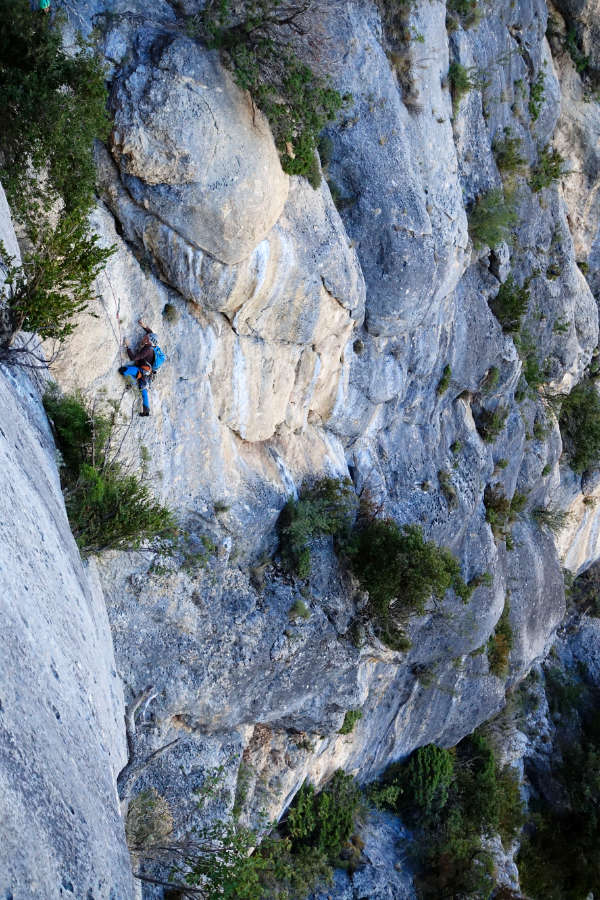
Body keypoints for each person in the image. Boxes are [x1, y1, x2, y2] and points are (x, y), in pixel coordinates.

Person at [119, 319, 157, 417]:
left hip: (141, 371)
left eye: (146, 337)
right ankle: (146, 411)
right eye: (146, 336)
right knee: (143, 389)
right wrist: (144, 326)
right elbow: (151, 332)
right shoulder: (151, 345)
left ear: (148, 341)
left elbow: (133, 358)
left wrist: (128, 346)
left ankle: (133, 383)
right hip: (146, 372)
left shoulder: (147, 350)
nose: (144, 337)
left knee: (123, 371)